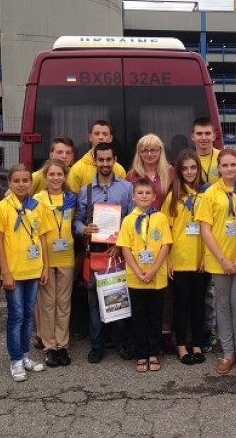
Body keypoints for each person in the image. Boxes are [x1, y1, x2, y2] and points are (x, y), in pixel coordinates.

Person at [190, 117, 236, 355]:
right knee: (210, 295)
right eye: (200, 133)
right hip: (204, 228)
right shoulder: (189, 157)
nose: (204, 137)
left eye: (208, 133)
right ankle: (211, 333)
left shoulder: (225, 156)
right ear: (193, 136)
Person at [74, 143, 134, 364]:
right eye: (101, 160)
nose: (105, 164)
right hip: (95, 251)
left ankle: (120, 343)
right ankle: (97, 345)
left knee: (118, 297)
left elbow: (131, 217)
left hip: (118, 250)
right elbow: (77, 220)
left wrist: (121, 243)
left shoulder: (127, 189)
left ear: (115, 159)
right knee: (93, 301)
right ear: (95, 161)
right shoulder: (86, 191)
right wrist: (83, 229)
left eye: (109, 159)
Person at [0, 164, 51, 382]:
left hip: (33, 269)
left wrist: (45, 266)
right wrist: (4, 272)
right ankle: (15, 359)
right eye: (16, 181)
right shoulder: (2, 208)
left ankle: (26, 355)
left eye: (25, 180)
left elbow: (42, 238)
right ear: (9, 183)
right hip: (14, 272)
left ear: (31, 182)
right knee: (16, 315)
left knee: (28, 315)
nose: (21, 184)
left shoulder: (37, 206)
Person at [117, 178, 173, 372]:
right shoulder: (128, 220)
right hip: (136, 277)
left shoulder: (161, 218)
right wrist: (137, 270)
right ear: (133, 197)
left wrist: (154, 269)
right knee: (139, 317)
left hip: (156, 277)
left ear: (154, 196)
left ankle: (153, 353)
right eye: (140, 193)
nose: (144, 196)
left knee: (155, 316)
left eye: (148, 193)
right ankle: (141, 353)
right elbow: (125, 248)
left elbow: (166, 245)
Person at [126, 133, 176, 352]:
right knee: (142, 295)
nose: (149, 154)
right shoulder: (131, 175)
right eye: (144, 150)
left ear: (160, 151)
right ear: (139, 153)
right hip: (138, 236)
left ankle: (164, 331)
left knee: (163, 289)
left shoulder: (170, 172)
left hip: (164, 234)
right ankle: (141, 340)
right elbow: (127, 208)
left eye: (154, 150)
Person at [161, 149, 210, 365]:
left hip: (201, 260)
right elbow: (164, 231)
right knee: (181, 304)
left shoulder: (208, 194)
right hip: (179, 259)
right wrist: (167, 260)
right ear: (179, 171)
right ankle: (181, 345)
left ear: (199, 169)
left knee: (199, 303)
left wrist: (207, 256)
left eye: (193, 167)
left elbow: (213, 229)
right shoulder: (173, 197)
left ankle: (196, 343)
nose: (190, 172)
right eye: (185, 168)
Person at [34, 159, 76, 367]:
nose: (56, 178)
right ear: (45, 176)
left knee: (64, 302)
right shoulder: (38, 199)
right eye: (52, 174)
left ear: (65, 177)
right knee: (47, 303)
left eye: (59, 174)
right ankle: (49, 346)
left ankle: (62, 345)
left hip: (66, 256)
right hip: (46, 258)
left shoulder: (71, 199)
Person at [67, 120, 126, 194]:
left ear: (111, 138)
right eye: (97, 134)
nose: (101, 137)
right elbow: (72, 199)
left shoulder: (119, 170)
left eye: (105, 134)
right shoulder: (77, 169)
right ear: (90, 137)